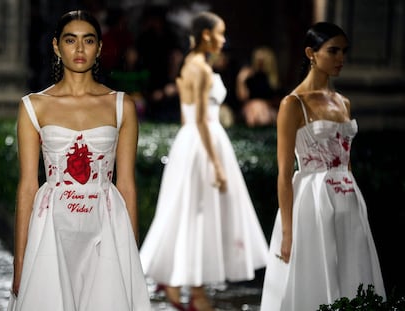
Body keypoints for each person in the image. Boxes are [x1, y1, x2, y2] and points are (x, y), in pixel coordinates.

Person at [8, 10, 151, 311]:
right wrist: (20, 260)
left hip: (106, 223)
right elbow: (26, 188)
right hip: (52, 226)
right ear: (57, 47)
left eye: (88, 40)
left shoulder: (120, 105)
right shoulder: (34, 106)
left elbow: (126, 184)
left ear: (99, 47)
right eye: (71, 40)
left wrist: (131, 254)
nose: (80, 49)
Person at [139, 11, 269, 311]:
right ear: (207, 35)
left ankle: (183, 284)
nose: (224, 40)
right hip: (203, 141)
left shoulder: (192, 65)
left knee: (194, 212)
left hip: (196, 141)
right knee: (196, 212)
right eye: (221, 34)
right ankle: (191, 288)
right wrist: (217, 163)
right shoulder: (199, 67)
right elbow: (197, 118)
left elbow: (189, 116)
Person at [260, 22, 386, 311]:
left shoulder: (344, 102)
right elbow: (283, 173)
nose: (341, 58)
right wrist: (288, 233)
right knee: (314, 275)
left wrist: (356, 202)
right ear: (311, 53)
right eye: (333, 51)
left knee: (352, 272)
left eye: (344, 51)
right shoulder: (293, 103)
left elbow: (347, 163)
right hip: (311, 201)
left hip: (348, 197)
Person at [236, 46, 281, 127]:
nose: (260, 63)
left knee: (262, 111)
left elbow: (275, 98)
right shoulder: (250, 75)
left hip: (267, 108)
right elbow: (242, 97)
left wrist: (263, 104)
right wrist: (241, 80)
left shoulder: (272, 78)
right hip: (250, 107)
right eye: (258, 60)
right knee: (255, 109)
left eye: (263, 61)